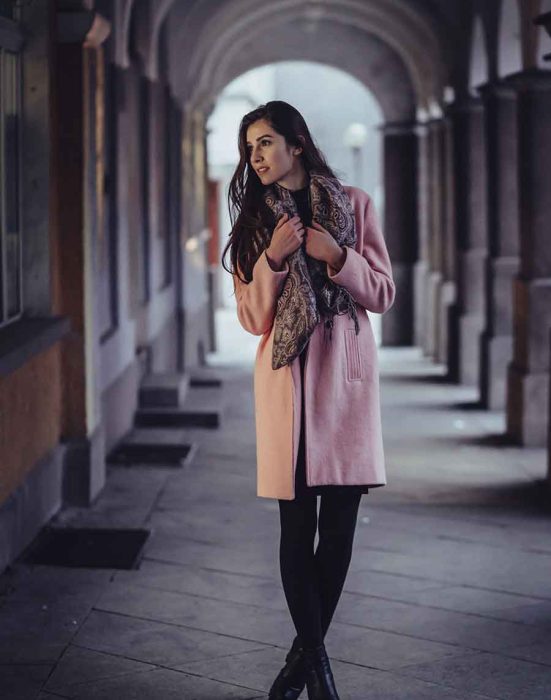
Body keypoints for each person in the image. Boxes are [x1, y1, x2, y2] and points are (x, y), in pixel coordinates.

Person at [222, 100, 395, 700]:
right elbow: (253, 319)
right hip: (288, 386)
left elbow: (383, 293)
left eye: (266, 142)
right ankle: (317, 669)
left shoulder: (355, 205)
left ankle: (302, 661)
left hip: (344, 387)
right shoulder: (252, 225)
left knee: (340, 531)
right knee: (296, 527)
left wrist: (337, 256)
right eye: (250, 148)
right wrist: (273, 257)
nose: (257, 156)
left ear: (297, 142)